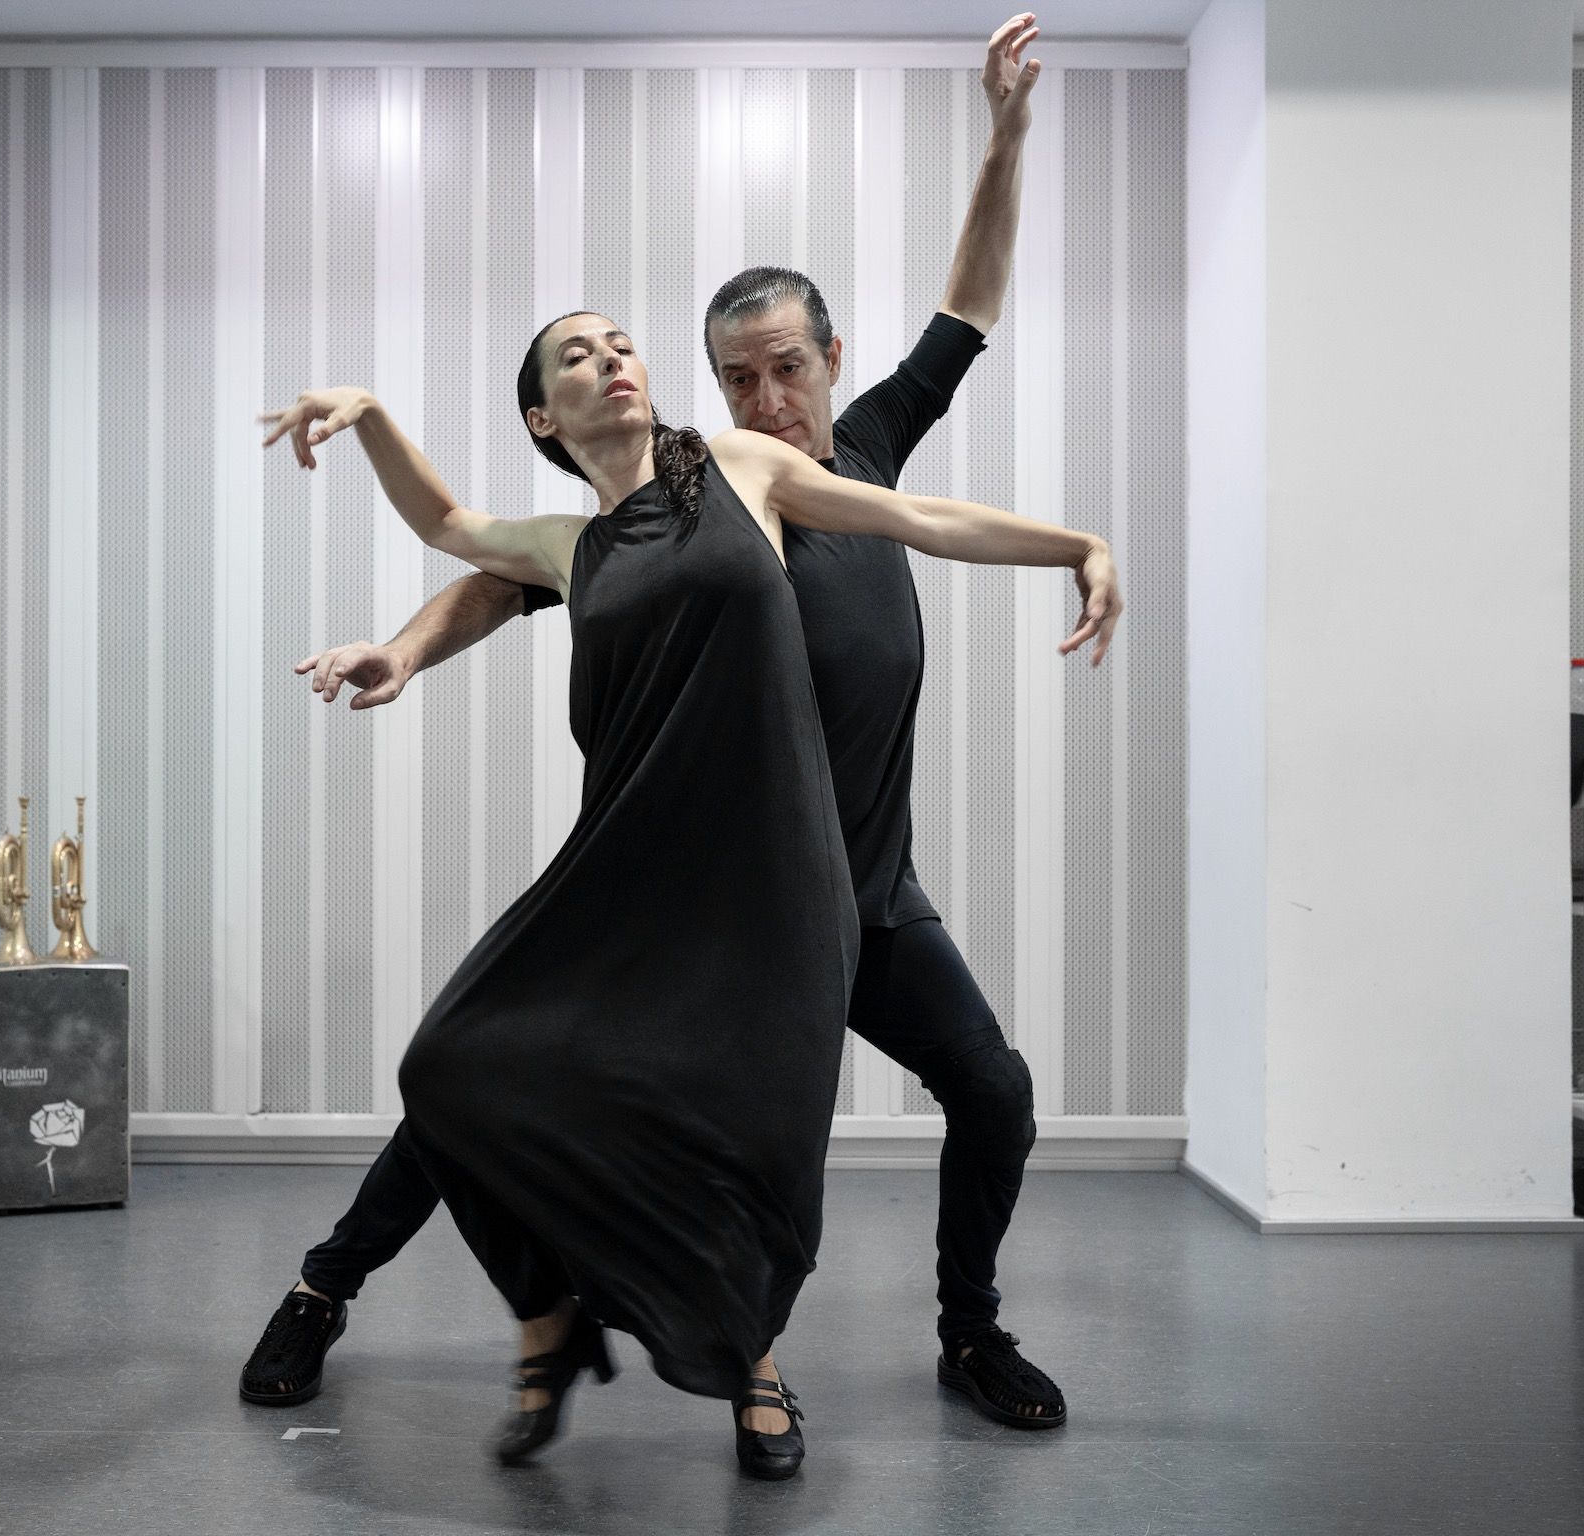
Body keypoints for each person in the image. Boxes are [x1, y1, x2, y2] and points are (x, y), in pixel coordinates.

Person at [240, 12, 1095, 1441]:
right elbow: (498, 570)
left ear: (832, 361)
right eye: (739, 378)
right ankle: (328, 1286)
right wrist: (403, 646)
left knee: (992, 1091)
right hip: (696, 908)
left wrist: (1006, 136)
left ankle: (968, 1332)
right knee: (485, 1077)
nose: (768, 397)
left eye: (788, 368)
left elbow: (971, 305)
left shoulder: (864, 452)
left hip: (861, 898)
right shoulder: (691, 508)